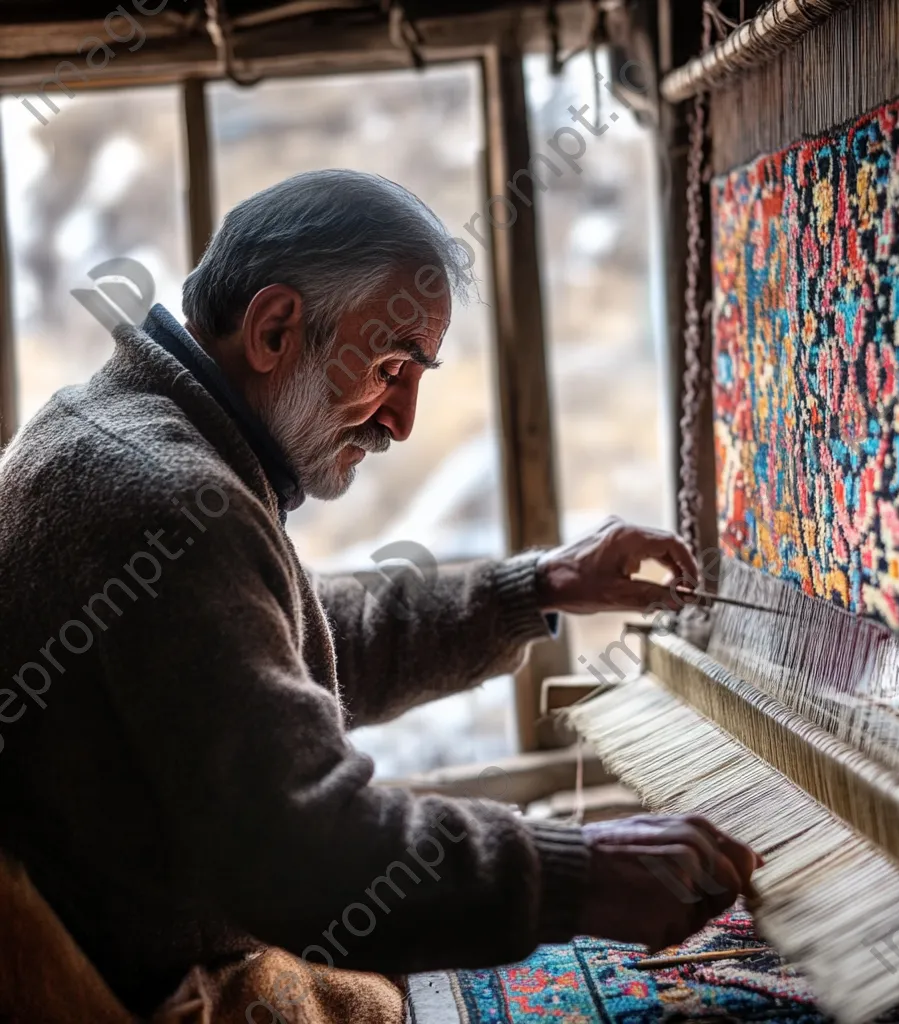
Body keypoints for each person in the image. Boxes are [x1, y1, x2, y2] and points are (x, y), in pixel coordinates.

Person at [0, 169, 758, 1017]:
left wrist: (539, 588)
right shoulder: (169, 502)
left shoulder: (107, 431)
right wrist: (582, 872)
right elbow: (299, 855)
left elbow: (296, 645)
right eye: (391, 365)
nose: (398, 421)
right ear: (276, 328)